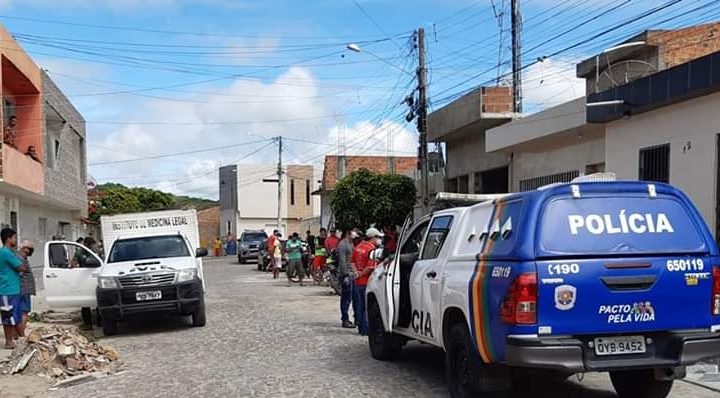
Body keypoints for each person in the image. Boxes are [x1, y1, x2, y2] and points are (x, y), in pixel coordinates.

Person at [352, 227, 382, 336]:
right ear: (372, 237)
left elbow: (352, 263)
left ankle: (360, 326)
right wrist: (361, 274)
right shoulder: (371, 249)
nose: (379, 239)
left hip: (358, 282)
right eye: (378, 237)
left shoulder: (358, 247)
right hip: (367, 282)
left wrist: (357, 273)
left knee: (360, 305)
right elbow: (370, 267)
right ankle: (365, 328)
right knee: (366, 306)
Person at [0, 228, 27, 349]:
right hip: (7, 290)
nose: (16, 240)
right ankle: (11, 341)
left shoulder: (8, 252)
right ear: (8, 239)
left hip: (12, 289)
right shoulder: (6, 252)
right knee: (9, 317)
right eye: (14, 237)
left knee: (13, 316)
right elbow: (21, 267)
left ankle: (15, 339)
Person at [337, 229, 358, 329]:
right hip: (346, 274)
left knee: (355, 297)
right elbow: (342, 261)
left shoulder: (351, 243)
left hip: (352, 274)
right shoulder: (342, 244)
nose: (355, 233)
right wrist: (345, 275)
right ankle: (345, 319)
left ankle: (357, 318)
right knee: (346, 298)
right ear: (347, 233)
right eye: (353, 231)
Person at [16, 240, 35, 333]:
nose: (30, 251)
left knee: (20, 311)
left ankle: (17, 332)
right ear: (25, 249)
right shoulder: (21, 259)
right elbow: (19, 274)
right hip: (24, 289)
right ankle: (21, 332)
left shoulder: (20, 258)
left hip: (22, 288)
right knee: (24, 311)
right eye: (29, 249)